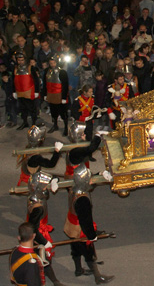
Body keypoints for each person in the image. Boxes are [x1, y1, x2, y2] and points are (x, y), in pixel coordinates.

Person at [64, 147, 114, 283]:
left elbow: (89, 183)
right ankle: (98, 276)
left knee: (75, 248)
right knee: (89, 252)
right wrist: (91, 235)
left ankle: (78, 269)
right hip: (80, 229)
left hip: (71, 222)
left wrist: (100, 174)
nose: (91, 181)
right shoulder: (83, 200)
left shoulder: (74, 187)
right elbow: (85, 220)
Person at [25, 152, 66, 286]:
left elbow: (51, 177)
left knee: (43, 256)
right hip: (38, 234)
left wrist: (54, 180)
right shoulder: (38, 208)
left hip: (39, 230)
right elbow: (32, 228)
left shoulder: (33, 194)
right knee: (43, 255)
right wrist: (43, 241)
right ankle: (53, 280)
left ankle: (53, 280)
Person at [42, 55, 69, 135]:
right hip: (51, 94)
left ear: (57, 63)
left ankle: (66, 127)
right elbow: (45, 83)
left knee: (63, 112)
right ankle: (55, 125)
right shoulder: (47, 71)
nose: (52, 64)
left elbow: (65, 85)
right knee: (53, 111)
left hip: (59, 95)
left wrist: (64, 97)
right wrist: (45, 94)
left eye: (54, 63)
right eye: (51, 63)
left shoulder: (62, 72)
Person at [14, 53, 41, 130]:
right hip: (19, 91)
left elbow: (36, 80)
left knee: (32, 108)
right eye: (19, 60)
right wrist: (14, 91)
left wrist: (36, 91)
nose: (20, 61)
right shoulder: (16, 68)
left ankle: (34, 123)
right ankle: (25, 122)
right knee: (23, 108)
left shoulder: (30, 67)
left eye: (22, 60)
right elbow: (14, 79)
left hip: (29, 91)